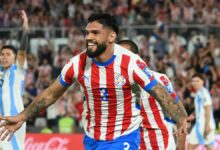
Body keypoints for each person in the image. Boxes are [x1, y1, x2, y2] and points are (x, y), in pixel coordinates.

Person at [0, 13, 188, 150]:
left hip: (123, 136)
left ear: (111, 36)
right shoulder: (78, 63)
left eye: (95, 33)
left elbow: (161, 93)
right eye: (87, 32)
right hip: (91, 138)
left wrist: (180, 120)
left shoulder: (131, 63)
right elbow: (51, 93)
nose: (89, 37)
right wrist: (22, 116)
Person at [118, 40, 185, 150]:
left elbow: (178, 113)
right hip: (133, 143)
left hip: (160, 143)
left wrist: (181, 146)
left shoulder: (159, 79)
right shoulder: (114, 83)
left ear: (135, 57)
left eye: (123, 54)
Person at [0, 10, 28, 150]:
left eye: (8, 54)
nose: (4, 57)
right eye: (2, 54)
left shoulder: (18, 70)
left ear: (14, 57)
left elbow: (22, 50)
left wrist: (25, 30)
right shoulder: (0, 71)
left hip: (14, 121)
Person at [188, 73, 216, 150]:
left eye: (197, 81)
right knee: (208, 146)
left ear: (202, 82)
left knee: (191, 146)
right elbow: (200, 109)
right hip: (201, 125)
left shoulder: (203, 93)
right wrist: (191, 116)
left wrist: (207, 125)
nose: (195, 83)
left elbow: (208, 109)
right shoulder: (199, 92)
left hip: (204, 125)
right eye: (193, 81)